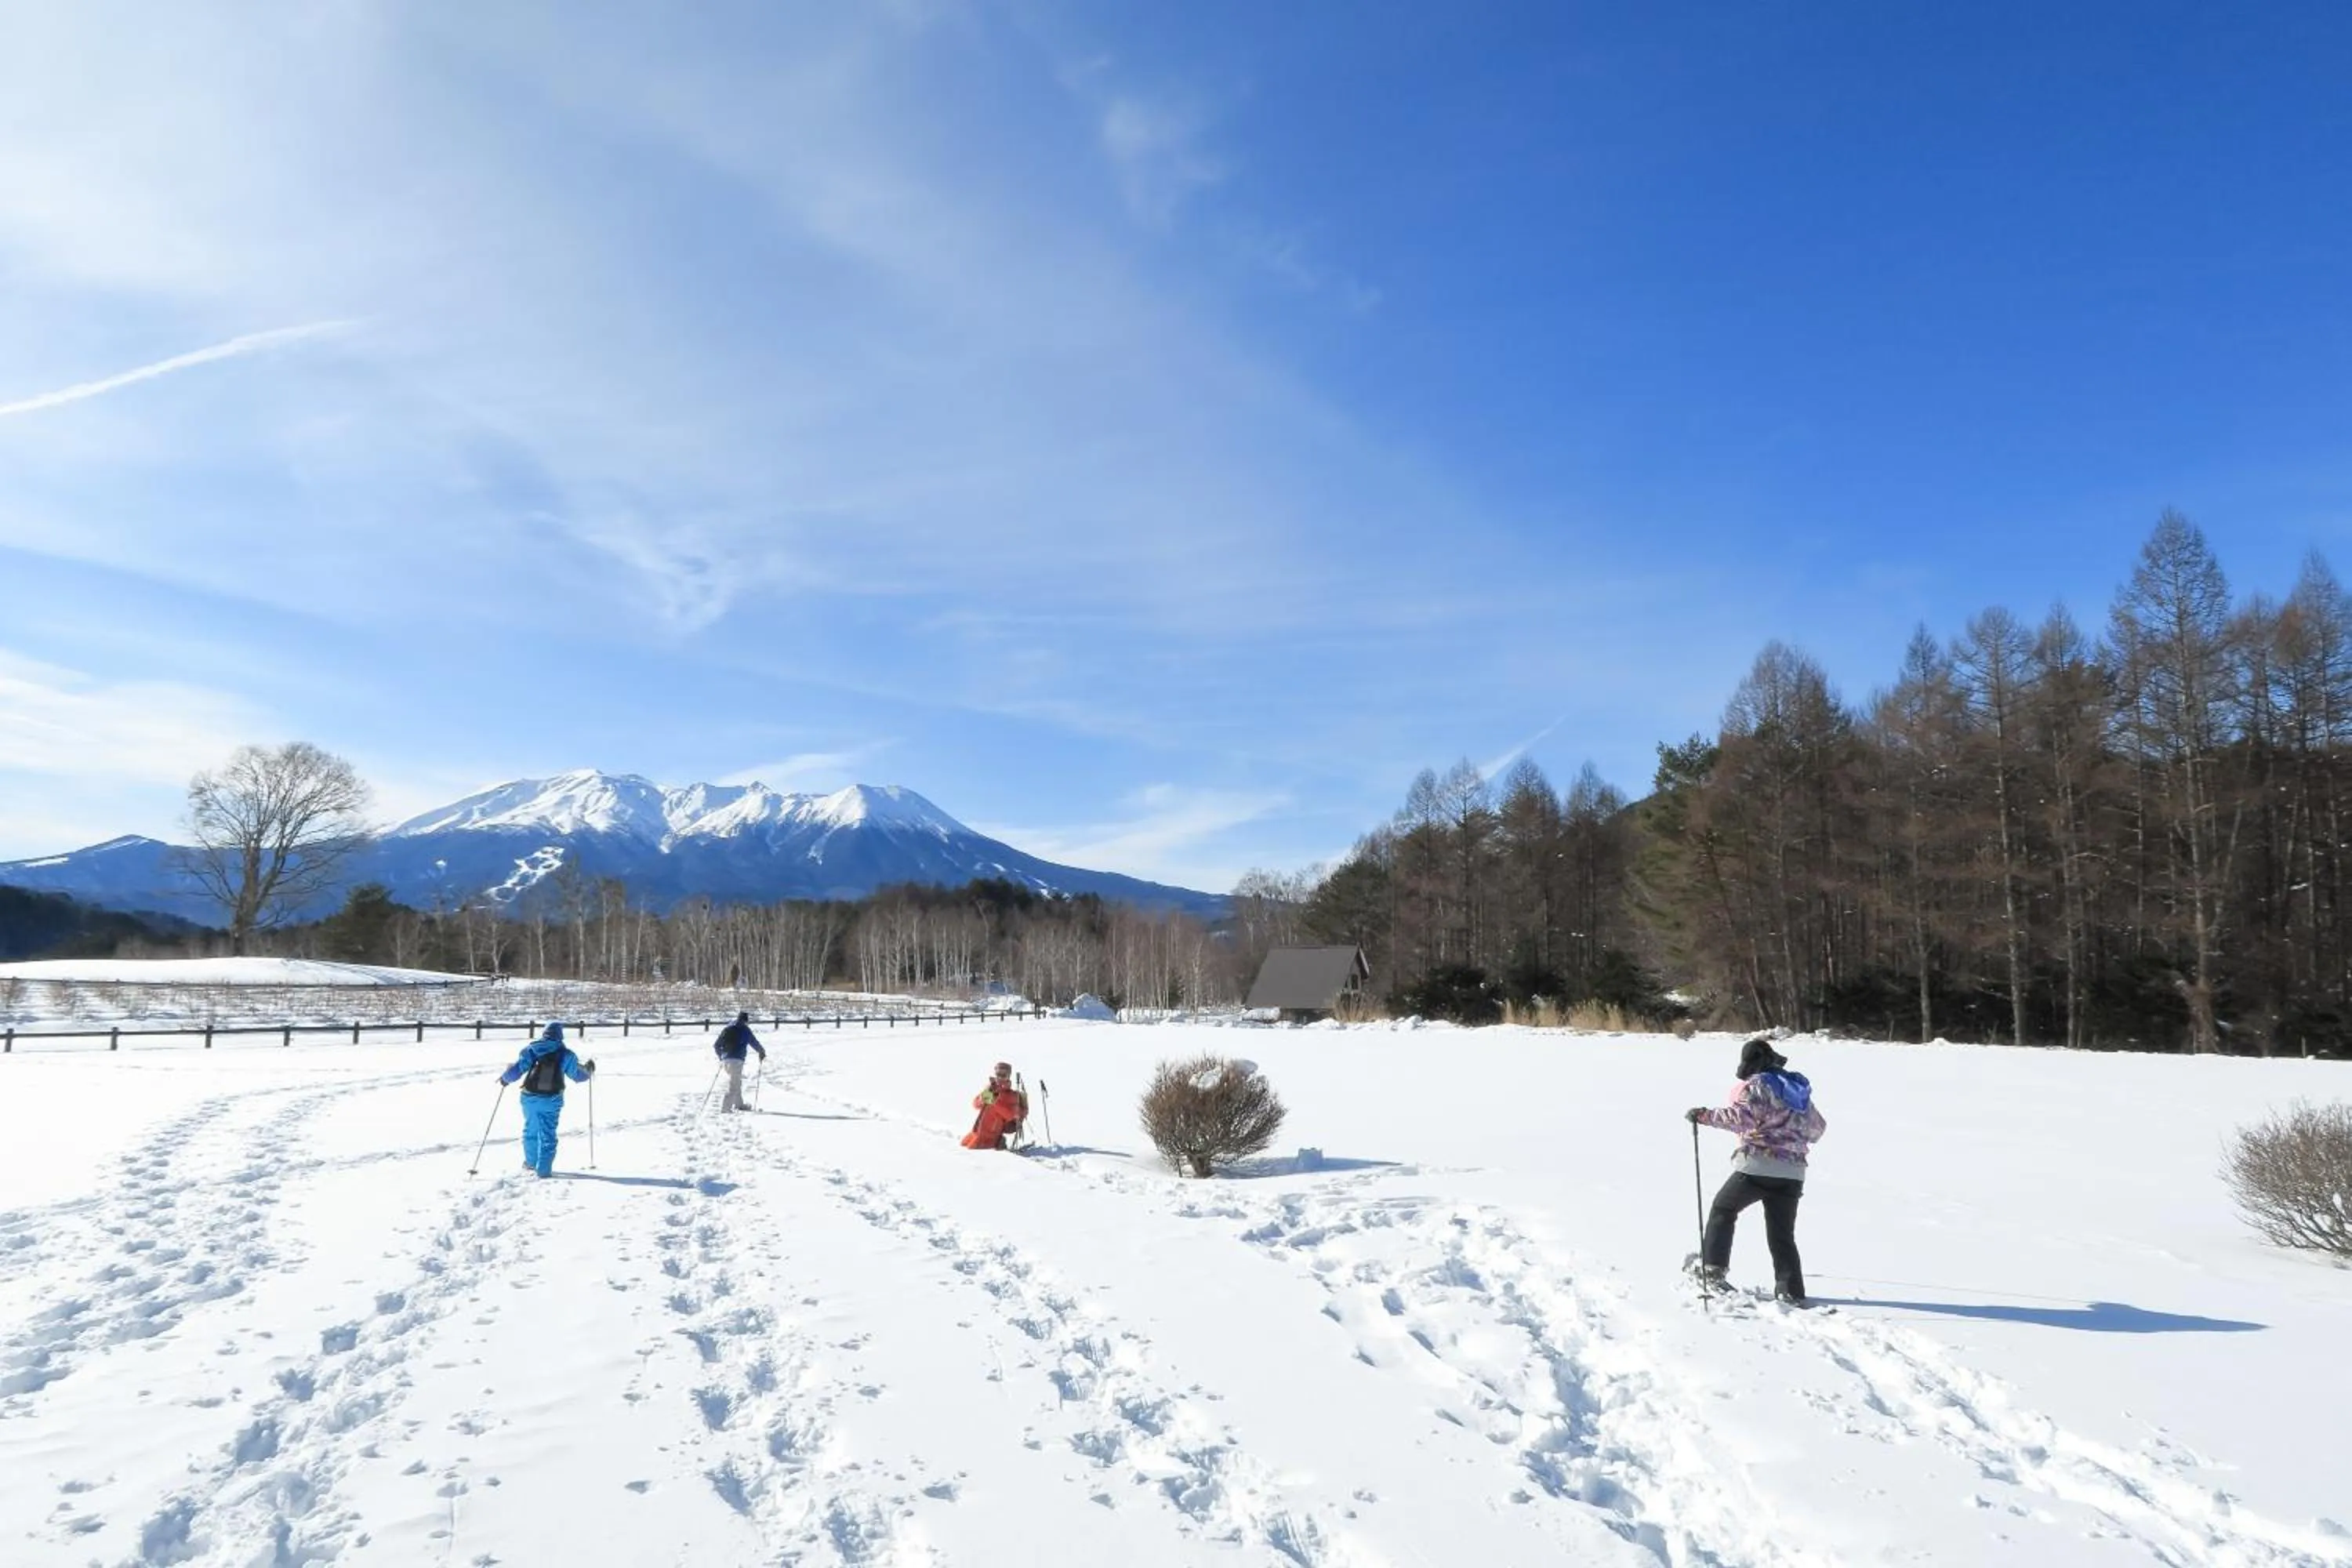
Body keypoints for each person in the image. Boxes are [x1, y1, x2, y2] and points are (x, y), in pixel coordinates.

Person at [1687, 1036, 1827, 1305]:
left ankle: (1712, 1270)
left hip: (1757, 1167)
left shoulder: (1758, 1086)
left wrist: (1704, 1116)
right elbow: (1817, 1129)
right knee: (1782, 1233)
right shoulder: (1797, 1091)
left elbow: (1742, 1118)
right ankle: (1791, 1290)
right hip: (1793, 1173)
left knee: (1723, 1210)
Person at [497, 1022, 594, 1178]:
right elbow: (579, 1075)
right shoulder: (566, 1055)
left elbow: (516, 1070)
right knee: (548, 1133)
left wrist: (504, 1079)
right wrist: (589, 1070)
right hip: (552, 1100)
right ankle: (543, 1171)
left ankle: (530, 1164)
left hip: (529, 1098)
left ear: (544, 1034)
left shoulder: (531, 1050)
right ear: (560, 1036)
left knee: (531, 1130)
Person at [961, 1061, 1029, 1149]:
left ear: (1008, 1076)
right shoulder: (991, 1088)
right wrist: (982, 1099)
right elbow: (975, 1105)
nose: (1000, 1077)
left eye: (1003, 1075)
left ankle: (1000, 1142)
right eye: (998, 1074)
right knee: (963, 1146)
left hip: (991, 1136)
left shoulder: (1011, 1095)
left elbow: (1010, 1115)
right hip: (976, 1133)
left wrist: (995, 1103)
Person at [713, 1011, 768, 1112]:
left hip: (726, 1061)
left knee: (737, 1082)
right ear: (745, 1021)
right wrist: (761, 1051)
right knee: (734, 1085)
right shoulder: (745, 1030)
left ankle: (739, 1105)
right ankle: (725, 1108)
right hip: (736, 1060)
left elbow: (716, 1045)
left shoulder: (727, 1028)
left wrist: (722, 1057)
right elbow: (753, 1042)